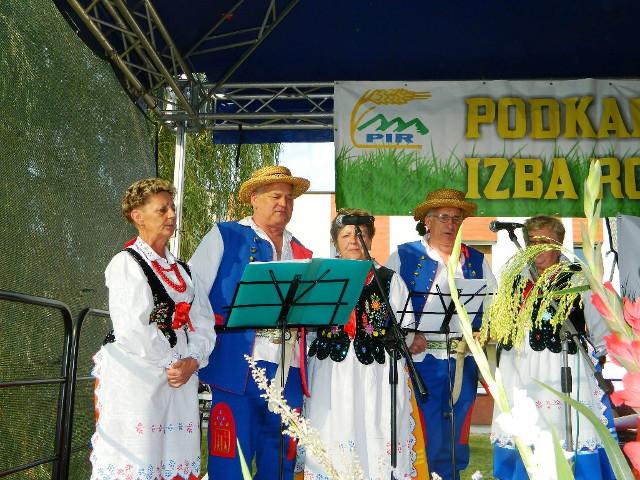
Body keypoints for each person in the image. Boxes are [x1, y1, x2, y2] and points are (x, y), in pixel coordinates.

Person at [189, 165, 312, 479]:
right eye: (275, 196)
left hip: (288, 371)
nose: (283, 203)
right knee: (231, 460)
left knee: (280, 464)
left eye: (289, 198)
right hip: (237, 368)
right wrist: (197, 349)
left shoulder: (302, 251)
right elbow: (192, 293)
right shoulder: (225, 235)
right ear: (254, 198)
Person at [90, 178, 216, 480]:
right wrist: (174, 362)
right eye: (162, 210)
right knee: (139, 458)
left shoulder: (184, 271)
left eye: (172, 208)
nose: (172, 215)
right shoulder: (126, 263)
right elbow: (132, 328)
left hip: (178, 377)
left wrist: (192, 361)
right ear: (138, 216)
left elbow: (204, 323)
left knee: (173, 459)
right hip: (138, 376)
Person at [303, 208, 427, 479]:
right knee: (333, 430)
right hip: (331, 373)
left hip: (376, 374)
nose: (353, 240)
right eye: (346, 235)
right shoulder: (321, 277)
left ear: (370, 239)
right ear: (336, 240)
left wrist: (402, 338)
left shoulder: (389, 279)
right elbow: (308, 328)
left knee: (374, 431)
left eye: (360, 234)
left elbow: (406, 327)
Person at [490, 215, 615, 480]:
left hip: (566, 363)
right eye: (533, 243)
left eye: (545, 242)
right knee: (528, 427)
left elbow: (598, 324)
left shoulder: (578, 276)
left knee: (572, 428)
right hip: (523, 366)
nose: (538, 249)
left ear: (559, 245)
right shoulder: (516, 278)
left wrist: (601, 356)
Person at [386, 188, 496, 480]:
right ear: (428, 221)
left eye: (456, 219)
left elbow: (493, 306)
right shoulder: (404, 256)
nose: (450, 225)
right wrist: (409, 336)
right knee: (425, 433)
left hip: (463, 361)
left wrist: (485, 332)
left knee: (457, 437)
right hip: (422, 363)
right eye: (444, 217)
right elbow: (385, 306)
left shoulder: (476, 260)